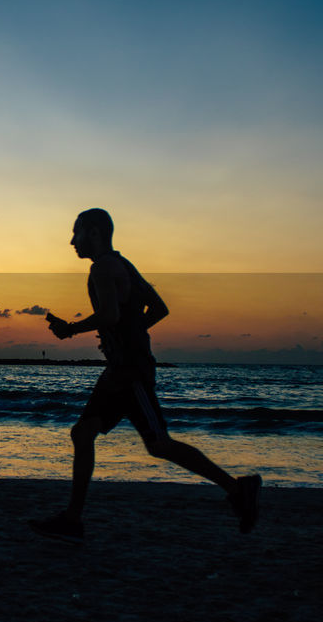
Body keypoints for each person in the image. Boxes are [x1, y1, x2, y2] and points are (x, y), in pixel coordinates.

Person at [29, 208, 261, 543]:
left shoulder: (103, 267)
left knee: (154, 443)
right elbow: (159, 309)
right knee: (88, 434)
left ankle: (239, 489)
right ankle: (72, 519)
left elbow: (109, 314)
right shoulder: (124, 264)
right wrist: (130, 333)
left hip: (130, 372)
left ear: (93, 232)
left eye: (76, 232)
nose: (71, 241)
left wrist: (70, 329)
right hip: (122, 370)